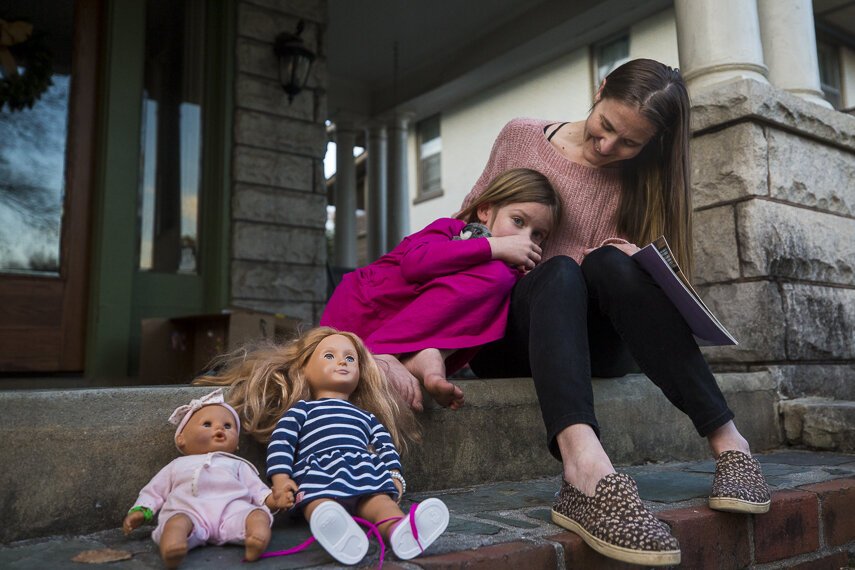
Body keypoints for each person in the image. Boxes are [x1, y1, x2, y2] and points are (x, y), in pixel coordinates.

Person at [386, 59, 771, 566]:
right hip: (507, 332)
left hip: (594, 341)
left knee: (609, 263)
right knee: (560, 270)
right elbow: (463, 235)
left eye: (629, 142)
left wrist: (633, 259)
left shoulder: (641, 180)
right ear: (601, 88)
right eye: (606, 126)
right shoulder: (520, 137)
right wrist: (418, 341)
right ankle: (584, 470)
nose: (609, 147)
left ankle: (730, 445)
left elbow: (627, 284)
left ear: (650, 145)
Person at [196, 328, 449, 565]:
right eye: (330, 356)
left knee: (381, 503)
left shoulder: (366, 417)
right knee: (319, 505)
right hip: (319, 475)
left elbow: (385, 447)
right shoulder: (301, 411)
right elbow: (282, 443)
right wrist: (281, 479)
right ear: (304, 368)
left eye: (350, 359)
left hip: (364, 473)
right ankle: (338, 533)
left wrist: (394, 475)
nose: (342, 362)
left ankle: (398, 531)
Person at [322, 168, 560, 411]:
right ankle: (385, 353)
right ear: (486, 211)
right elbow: (415, 264)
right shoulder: (451, 230)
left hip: (398, 333)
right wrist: (493, 246)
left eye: (537, 234)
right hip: (361, 314)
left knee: (503, 282)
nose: (525, 238)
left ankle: (426, 356)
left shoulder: (510, 274)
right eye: (518, 221)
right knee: (498, 275)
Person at [122, 389, 275, 569]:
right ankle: (173, 545)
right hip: (191, 513)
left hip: (232, 512)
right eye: (207, 424)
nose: (219, 429)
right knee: (177, 521)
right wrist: (142, 511)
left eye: (227, 426)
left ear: (237, 444)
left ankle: (256, 537)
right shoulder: (177, 465)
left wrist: (274, 499)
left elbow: (258, 490)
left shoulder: (238, 465)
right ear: (181, 439)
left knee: (257, 514)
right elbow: (154, 491)